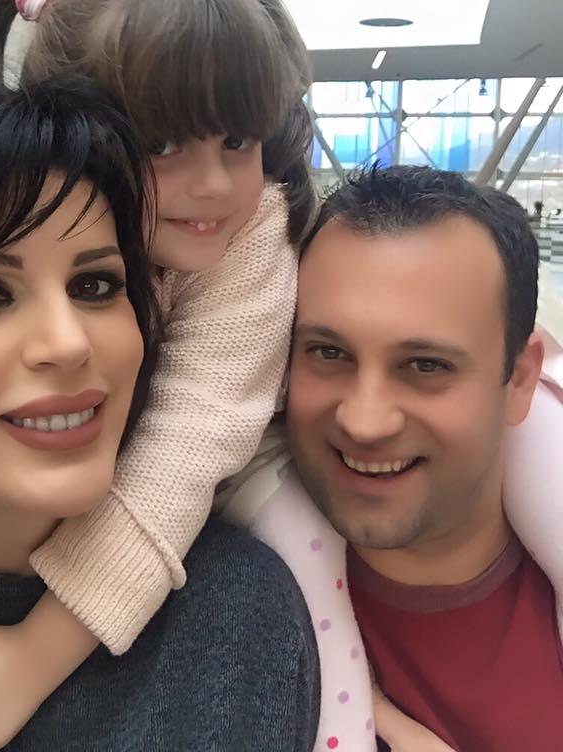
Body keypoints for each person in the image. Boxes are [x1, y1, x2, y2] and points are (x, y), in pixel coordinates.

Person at [0, 0, 318, 748]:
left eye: (239, 140)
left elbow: (185, 452)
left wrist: (33, 657)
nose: (212, 183)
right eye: (161, 145)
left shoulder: (248, 242)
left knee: (308, 546)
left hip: (232, 480)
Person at [220, 164, 562, 751]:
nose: (364, 421)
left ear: (521, 379)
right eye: (329, 353)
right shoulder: (215, 628)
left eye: (426, 365)